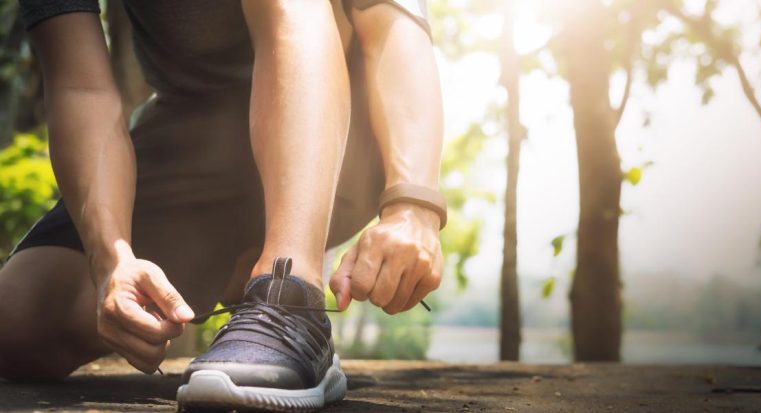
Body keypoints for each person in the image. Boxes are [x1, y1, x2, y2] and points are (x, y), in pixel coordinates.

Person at [0, 0, 445, 411]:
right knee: (17, 322)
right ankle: (239, 274)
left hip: (347, 137)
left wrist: (413, 206)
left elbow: (391, 21)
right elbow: (80, 87)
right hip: (194, 140)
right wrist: (110, 260)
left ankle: (289, 296)